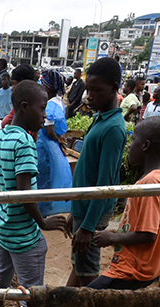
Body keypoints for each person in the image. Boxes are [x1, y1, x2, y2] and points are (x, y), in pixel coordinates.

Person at [0, 81, 64, 288]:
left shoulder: (0, 136)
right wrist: (43, 223)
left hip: (3, 226)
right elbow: (24, 195)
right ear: (25, 107)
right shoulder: (24, 142)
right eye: (42, 108)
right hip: (22, 233)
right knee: (32, 293)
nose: (44, 115)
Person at [88, 116, 160, 290]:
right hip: (148, 267)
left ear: (145, 145)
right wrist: (116, 232)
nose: (129, 146)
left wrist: (112, 238)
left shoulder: (150, 183)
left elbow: (148, 234)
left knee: (86, 297)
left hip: (133, 269)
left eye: (133, 140)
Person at [67, 57, 128, 287]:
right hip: (84, 207)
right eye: (88, 89)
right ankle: (61, 306)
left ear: (114, 88)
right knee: (80, 265)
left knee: (87, 273)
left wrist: (88, 227)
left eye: (96, 90)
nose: (89, 96)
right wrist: (76, 211)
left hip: (92, 210)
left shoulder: (113, 128)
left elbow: (105, 184)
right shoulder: (101, 119)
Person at [37, 70, 73, 217]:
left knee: (43, 176)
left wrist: (56, 138)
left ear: (47, 87)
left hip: (46, 145)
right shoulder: (59, 102)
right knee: (52, 176)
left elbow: (49, 129)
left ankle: (42, 211)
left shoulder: (50, 105)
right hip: (53, 145)